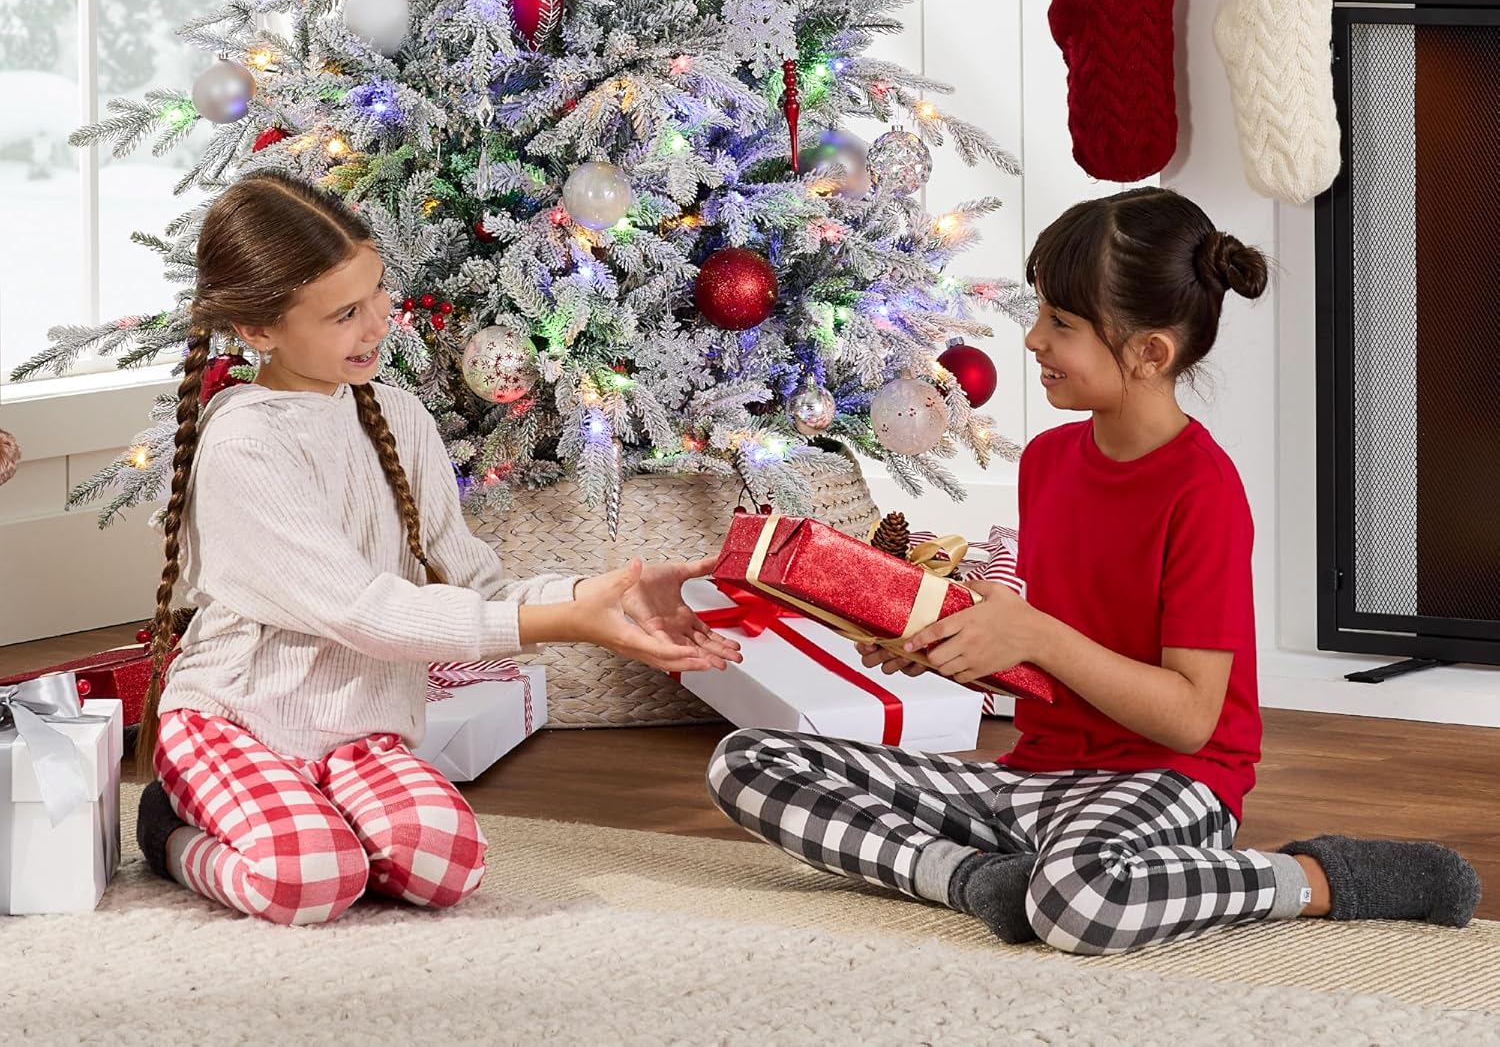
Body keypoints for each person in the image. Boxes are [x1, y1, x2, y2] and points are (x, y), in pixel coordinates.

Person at [707, 187, 1479, 954]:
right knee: (750, 760)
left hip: (1169, 780)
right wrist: (948, 641)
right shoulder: (1047, 461)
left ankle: (1313, 878)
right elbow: (1053, 664)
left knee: (1082, 898)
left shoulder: (1202, 491)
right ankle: (977, 880)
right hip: (1032, 782)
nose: (1033, 339)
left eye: (1062, 324)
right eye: (1041, 313)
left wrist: (1034, 633)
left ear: (1150, 353)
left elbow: (1189, 718)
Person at [133, 169, 739, 926]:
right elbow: (365, 613)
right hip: (235, 723)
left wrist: (595, 597)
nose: (376, 324)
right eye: (344, 314)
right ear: (258, 331)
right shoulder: (245, 445)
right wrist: (564, 625)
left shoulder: (398, 417)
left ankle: (320, 816)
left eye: (377, 292)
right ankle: (170, 831)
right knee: (310, 883)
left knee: (447, 865)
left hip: (355, 735)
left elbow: (475, 590)